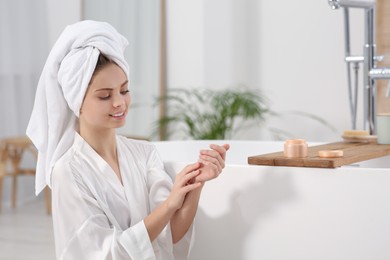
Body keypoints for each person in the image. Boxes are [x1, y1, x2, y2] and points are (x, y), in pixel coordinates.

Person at [26, 20, 229, 260]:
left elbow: (170, 234)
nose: (119, 103)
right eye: (104, 96)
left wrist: (195, 185)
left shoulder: (144, 153)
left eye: (124, 90)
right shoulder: (68, 172)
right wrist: (170, 204)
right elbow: (104, 254)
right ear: (76, 101)